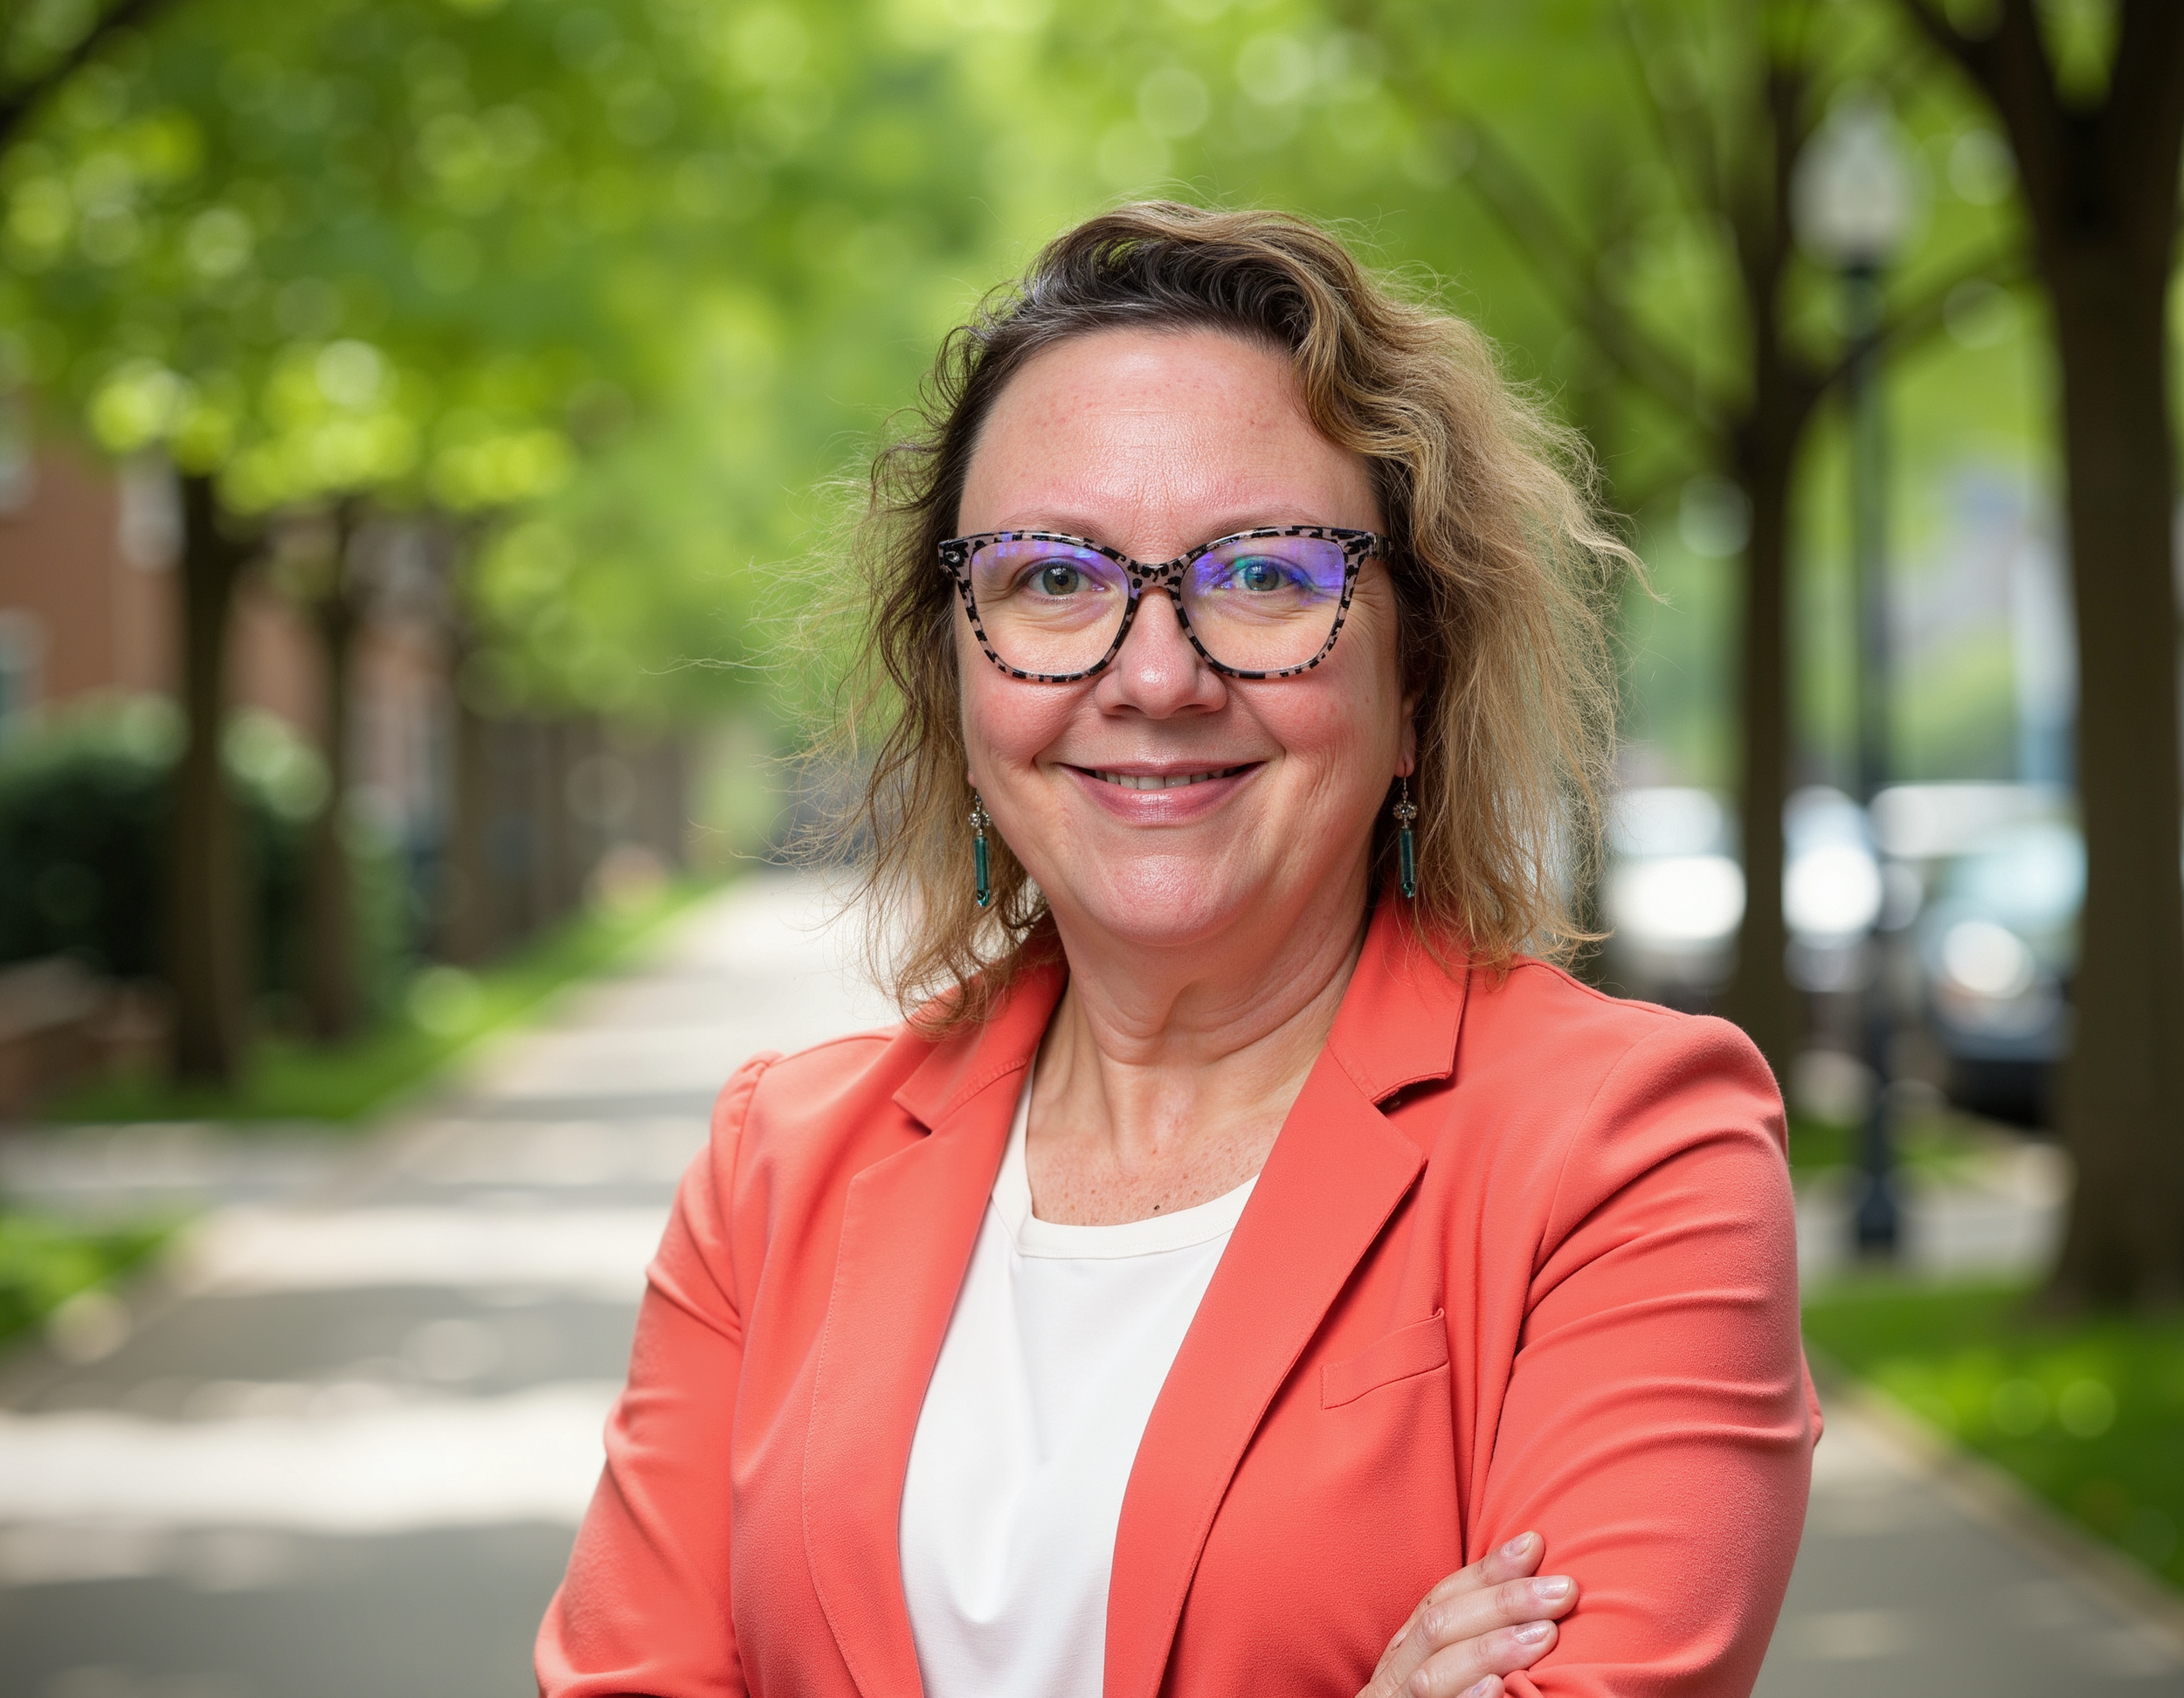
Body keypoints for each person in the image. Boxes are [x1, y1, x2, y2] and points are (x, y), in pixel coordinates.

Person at [536, 204, 1817, 1698]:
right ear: (958, 684)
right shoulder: (778, 1166)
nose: (1155, 676)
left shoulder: (1628, 1150)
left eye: (1267, 575)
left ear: (1417, 684)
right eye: (1053, 578)